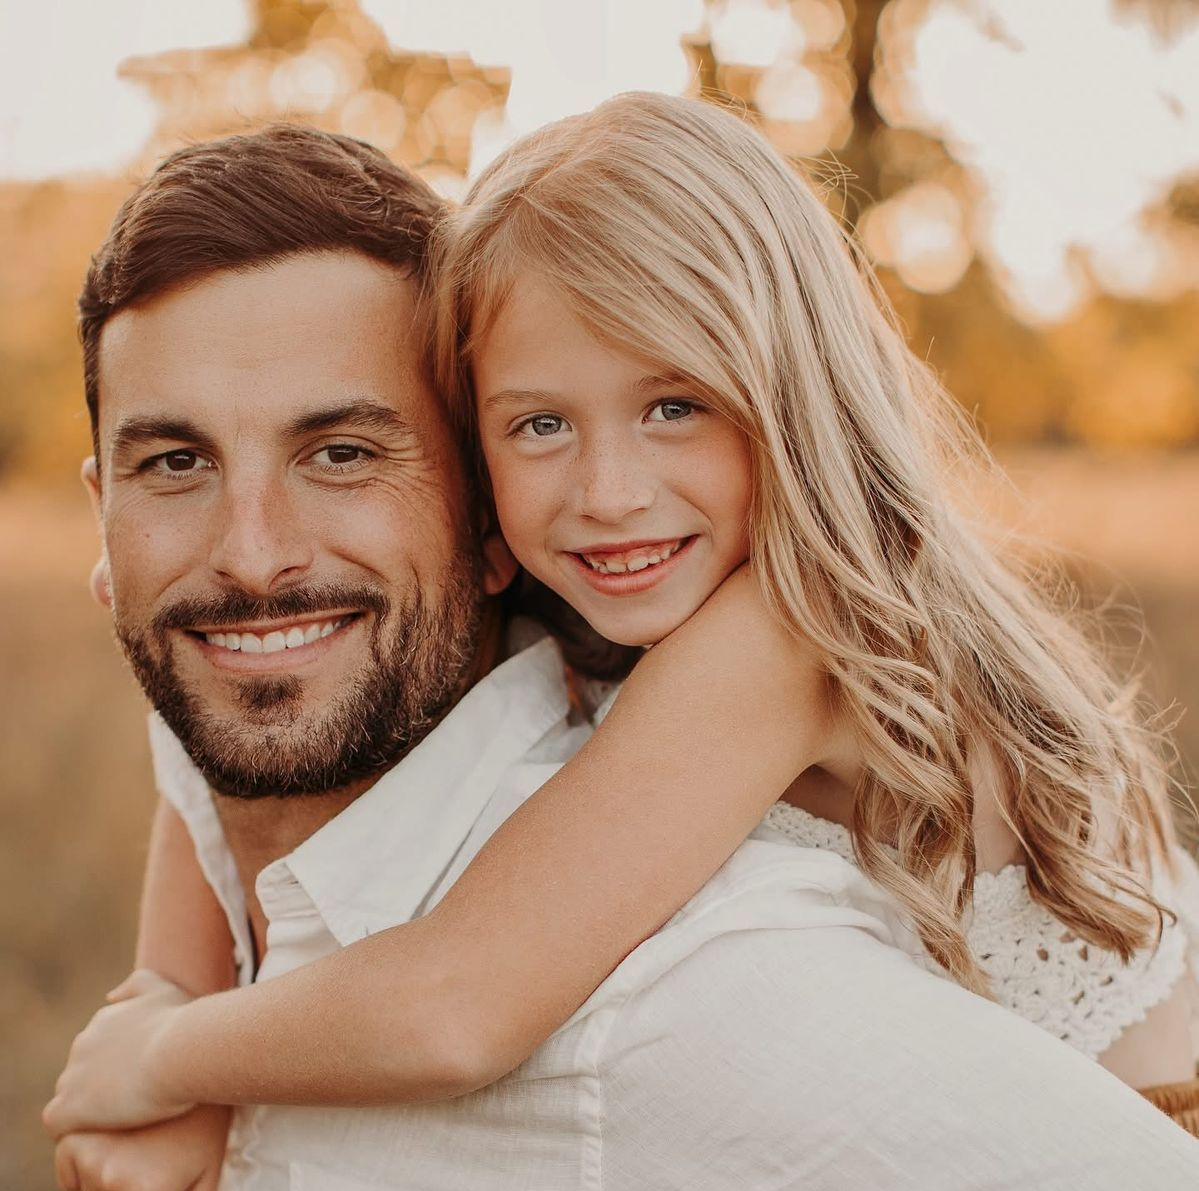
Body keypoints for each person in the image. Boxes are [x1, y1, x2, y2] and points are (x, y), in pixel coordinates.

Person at [46, 106, 1199, 1191]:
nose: (605, 493)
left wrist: (171, 1057)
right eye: (540, 424)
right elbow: (209, 754)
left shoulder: (789, 627)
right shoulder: (609, 591)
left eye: (673, 406)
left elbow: (461, 997)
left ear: (789, 393)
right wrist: (170, 993)